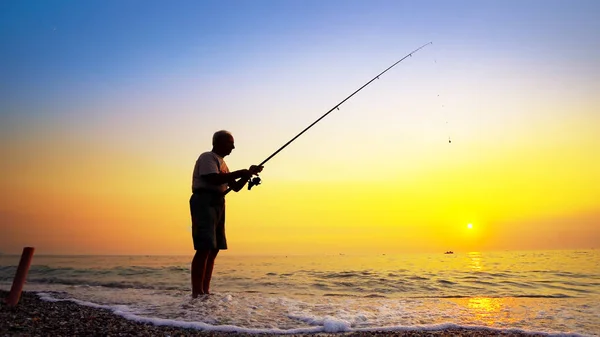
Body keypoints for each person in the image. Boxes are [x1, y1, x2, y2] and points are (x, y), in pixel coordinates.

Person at [189, 130, 262, 298]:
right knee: (204, 246)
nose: (233, 147)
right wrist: (241, 172)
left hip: (218, 202)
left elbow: (235, 188)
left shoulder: (224, 164)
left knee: (214, 248)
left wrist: (248, 173)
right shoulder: (208, 157)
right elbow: (212, 179)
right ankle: (197, 292)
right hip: (204, 201)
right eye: (230, 143)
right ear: (219, 142)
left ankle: (205, 291)